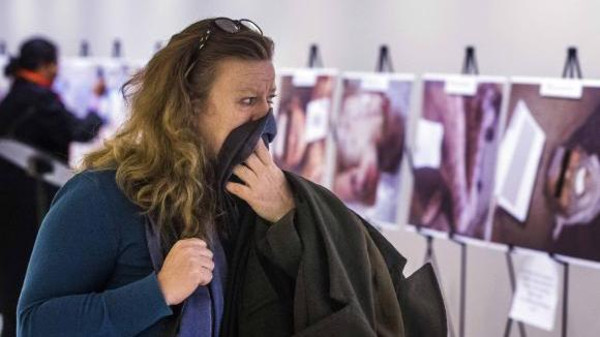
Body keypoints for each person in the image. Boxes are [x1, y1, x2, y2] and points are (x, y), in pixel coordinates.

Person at [18, 18, 446, 337]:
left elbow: (308, 299)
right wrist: (158, 292)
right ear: (188, 105)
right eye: (247, 100)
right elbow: (35, 322)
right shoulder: (102, 195)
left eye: (269, 98)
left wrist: (286, 218)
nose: (265, 117)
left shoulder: (247, 194)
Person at [0, 38, 104, 337]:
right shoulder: (39, 101)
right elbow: (82, 130)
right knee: (29, 272)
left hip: (9, 201)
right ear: (47, 65)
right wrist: (97, 102)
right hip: (31, 202)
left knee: (12, 275)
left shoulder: (14, 96)